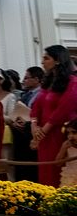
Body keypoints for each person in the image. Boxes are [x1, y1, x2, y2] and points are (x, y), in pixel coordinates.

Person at [31, 45, 77, 187]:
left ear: (57, 60)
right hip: (43, 136)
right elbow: (36, 106)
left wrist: (43, 131)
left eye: (46, 58)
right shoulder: (48, 82)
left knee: (57, 172)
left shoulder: (72, 82)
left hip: (59, 133)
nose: (42, 62)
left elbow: (64, 109)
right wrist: (34, 125)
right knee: (45, 172)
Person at [11, 66, 43, 181]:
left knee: (32, 170)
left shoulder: (41, 94)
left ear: (37, 79)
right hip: (21, 134)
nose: (24, 80)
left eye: (27, 78)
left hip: (33, 133)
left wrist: (29, 122)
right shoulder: (25, 95)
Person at [55, 119, 77, 187]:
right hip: (70, 179)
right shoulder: (67, 146)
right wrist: (63, 149)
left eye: (74, 132)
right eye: (68, 133)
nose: (70, 136)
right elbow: (58, 163)